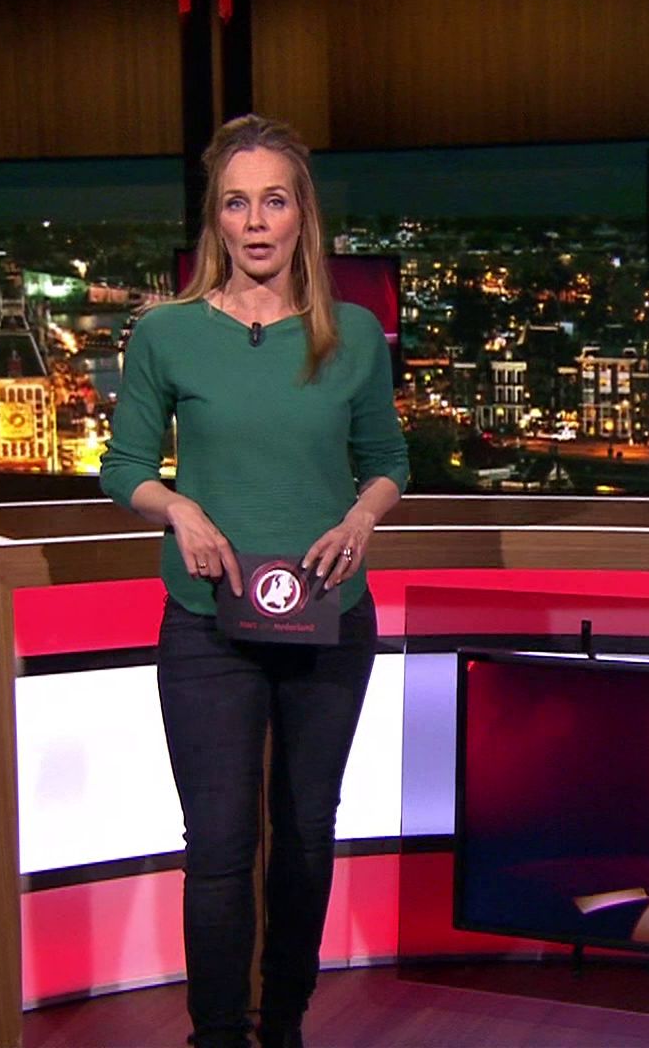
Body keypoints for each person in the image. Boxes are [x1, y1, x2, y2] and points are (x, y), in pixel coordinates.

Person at [99, 113, 409, 1048]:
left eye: (274, 201)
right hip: (207, 624)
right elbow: (124, 467)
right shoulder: (167, 333)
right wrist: (179, 509)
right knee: (220, 847)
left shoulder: (353, 333)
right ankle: (219, 1036)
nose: (256, 221)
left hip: (327, 618)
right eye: (237, 204)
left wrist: (360, 519)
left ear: (301, 213)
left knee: (308, 833)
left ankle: (284, 1026)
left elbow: (388, 462)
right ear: (217, 219)